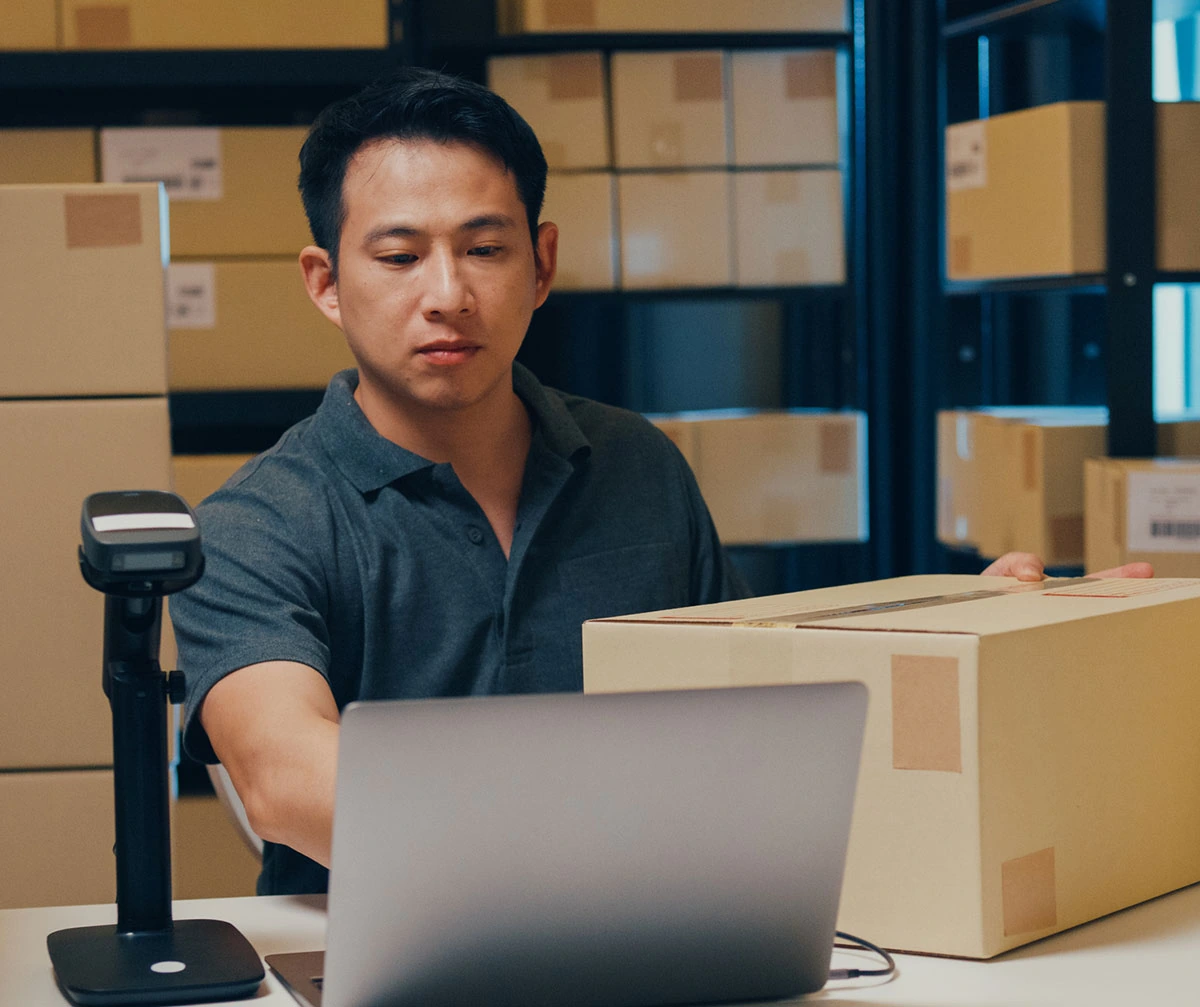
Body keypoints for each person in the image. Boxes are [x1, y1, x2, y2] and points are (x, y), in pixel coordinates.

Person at [169, 68, 1152, 898]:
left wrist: (978, 627)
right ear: (325, 280)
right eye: (398, 255)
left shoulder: (636, 464)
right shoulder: (258, 523)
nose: (448, 293)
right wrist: (606, 831)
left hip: (653, 936)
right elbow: (291, 778)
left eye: (483, 248)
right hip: (377, 956)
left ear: (542, 262)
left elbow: (753, 705)